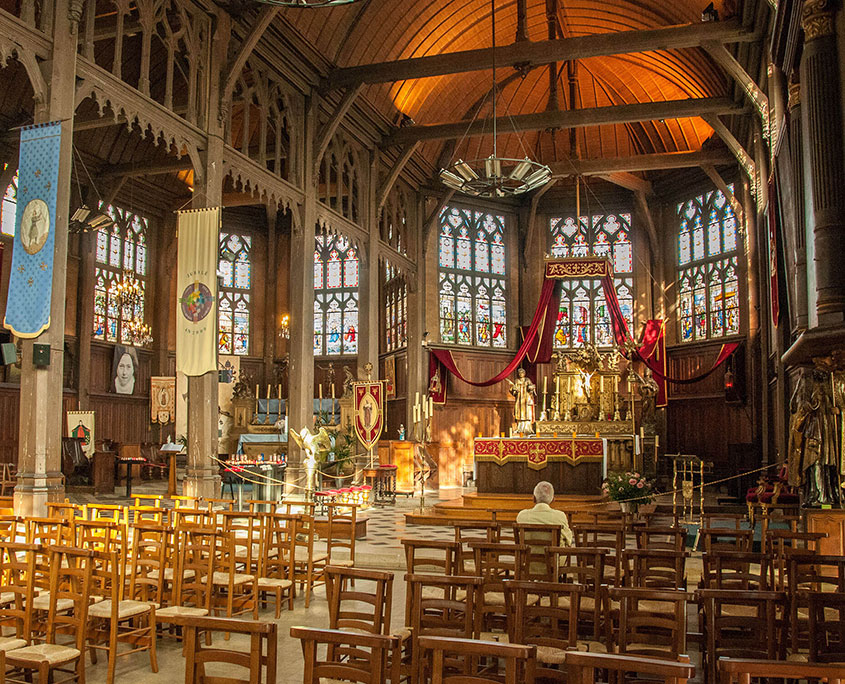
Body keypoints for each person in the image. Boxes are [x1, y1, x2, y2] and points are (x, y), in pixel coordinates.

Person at [516, 481, 573, 546]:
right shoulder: (560, 516)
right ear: (553, 500)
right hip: (554, 555)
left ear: (533, 498)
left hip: (527, 555)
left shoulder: (522, 515)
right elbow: (569, 540)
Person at [509, 367, 536, 434]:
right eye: (520, 373)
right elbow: (513, 391)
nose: (521, 374)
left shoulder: (527, 380)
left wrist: (531, 388)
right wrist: (514, 389)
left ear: (524, 373)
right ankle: (520, 427)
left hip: (526, 399)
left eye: (522, 373)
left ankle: (527, 427)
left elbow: (532, 388)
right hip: (519, 399)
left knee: (527, 413)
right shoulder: (517, 381)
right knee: (519, 412)